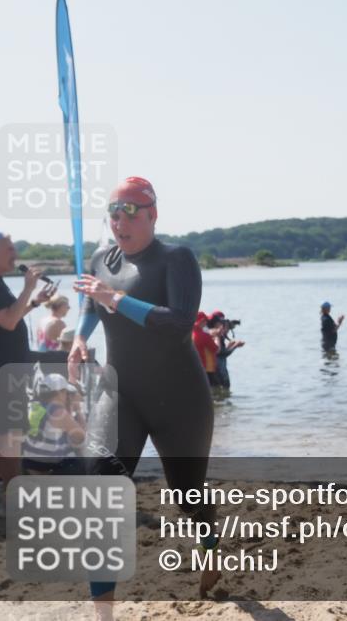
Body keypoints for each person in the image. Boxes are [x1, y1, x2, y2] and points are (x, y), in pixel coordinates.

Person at [68, 177, 220, 614]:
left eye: (130, 213)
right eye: (114, 214)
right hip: (121, 395)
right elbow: (90, 303)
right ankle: (104, 614)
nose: (120, 222)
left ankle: (209, 540)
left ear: (153, 215)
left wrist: (115, 298)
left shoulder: (177, 259)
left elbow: (179, 322)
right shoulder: (101, 259)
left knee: (187, 496)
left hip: (180, 400)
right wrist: (79, 338)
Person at [0, 233, 57, 513]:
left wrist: (34, 301)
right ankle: (12, 497)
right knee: (9, 436)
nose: (15, 255)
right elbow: (8, 322)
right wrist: (28, 287)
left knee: (0, 435)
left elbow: (10, 316)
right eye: (9, 250)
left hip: (2, 370)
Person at [21, 373, 85, 475]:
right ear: (60, 392)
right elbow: (80, 437)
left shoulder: (35, 406)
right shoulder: (57, 412)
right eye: (66, 392)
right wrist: (78, 410)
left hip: (30, 461)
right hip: (45, 466)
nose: (67, 395)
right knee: (82, 462)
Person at [207, 311, 244, 389]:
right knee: (220, 391)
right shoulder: (215, 336)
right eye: (222, 323)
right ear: (216, 324)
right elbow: (221, 353)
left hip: (219, 371)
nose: (224, 326)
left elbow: (221, 354)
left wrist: (229, 346)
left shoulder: (214, 335)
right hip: (218, 373)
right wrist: (235, 346)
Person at [192, 311, 218, 380]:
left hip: (191, 368)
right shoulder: (204, 336)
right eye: (206, 321)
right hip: (203, 369)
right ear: (202, 321)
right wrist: (217, 337)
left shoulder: (189, 334)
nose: (206, 323)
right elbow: (216, 349)